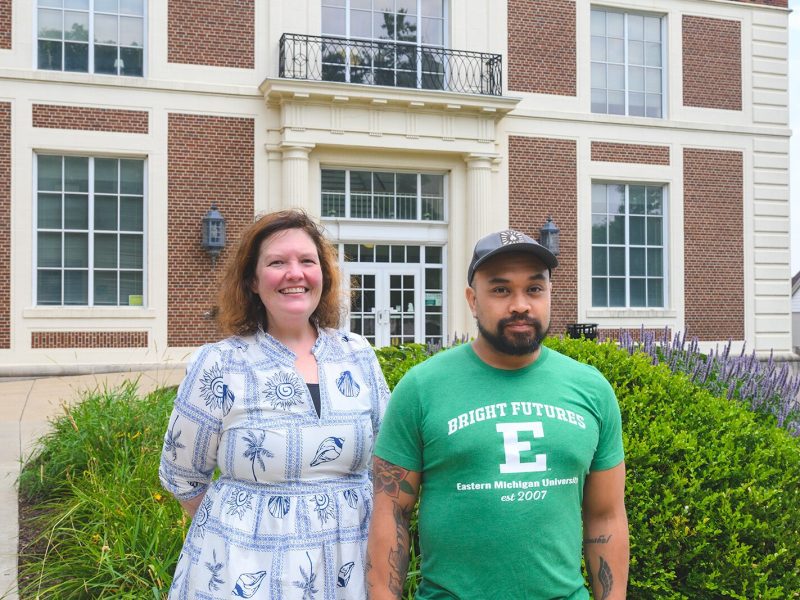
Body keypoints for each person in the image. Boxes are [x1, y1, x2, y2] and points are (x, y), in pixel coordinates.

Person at [366, 229, 629, 600]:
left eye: (534, 289)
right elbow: (391, 512)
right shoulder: (422, 388)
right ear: (473, 300)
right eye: (501, 290)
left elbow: (606, 516)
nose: (520, 304)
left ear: (550, 295)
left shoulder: (591, 390)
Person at [159, 209, 389, 599]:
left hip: (347, 571)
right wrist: (248, 534)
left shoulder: (357, 354)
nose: (294, 273)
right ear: (252, 280)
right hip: (245, 572)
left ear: (324, 275)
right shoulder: (221, 363)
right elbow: (183, 476)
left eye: (307, 261)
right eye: (277, 262)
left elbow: (387, 458)